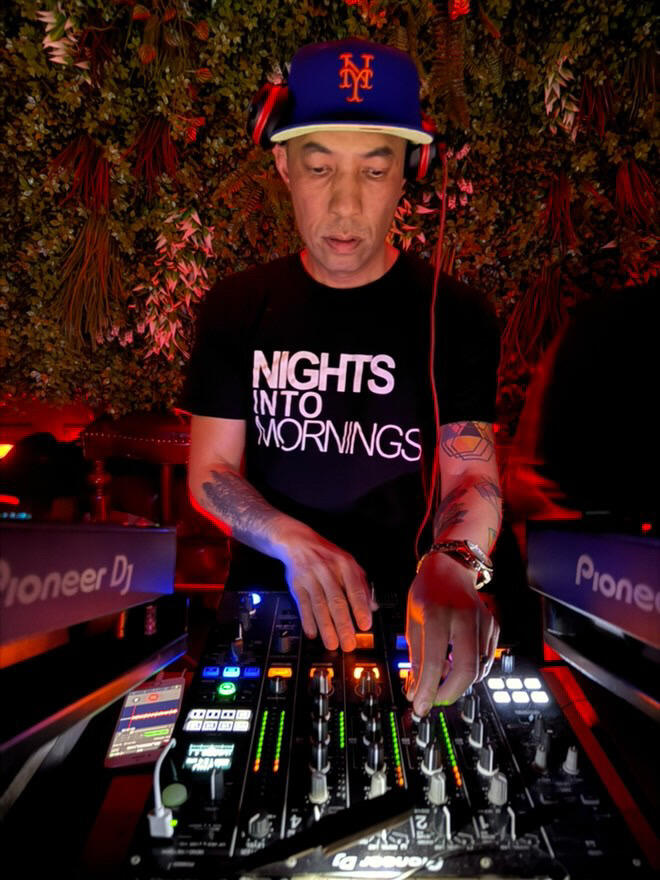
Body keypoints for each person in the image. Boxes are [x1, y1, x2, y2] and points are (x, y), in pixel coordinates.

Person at [182, 38, 502, 714]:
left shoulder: (460, 314)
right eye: (320, 167)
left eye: (375, 170)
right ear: (283, 164)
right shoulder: (235, 307)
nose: (346, 206)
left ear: (409, 170)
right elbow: (210, 472)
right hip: (269, 605)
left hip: (415, 613)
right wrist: (292, 541)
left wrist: (454, 562)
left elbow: (472, 475)